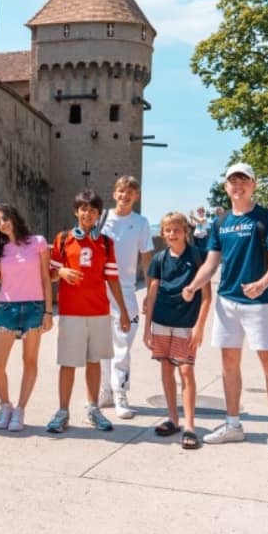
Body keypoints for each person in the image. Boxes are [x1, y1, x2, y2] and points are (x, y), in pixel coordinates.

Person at [182, 163, 268, 456]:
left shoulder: (266, 218)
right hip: (227, 302)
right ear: (226, 187)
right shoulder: (222, 223)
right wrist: (193, 285)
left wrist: (262, 283)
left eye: (243, 180)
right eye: (233, 181)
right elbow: (211, 262)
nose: (237, 185)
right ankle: (233, 425)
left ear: (253, 185)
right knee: (229, 364)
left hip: (259, 303)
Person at [45, 190, 131, 434]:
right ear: (76, 211)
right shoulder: (63, 239)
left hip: (99, 312)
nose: (88, 214)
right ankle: (62, 411)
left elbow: (113, 280)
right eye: (84, 209)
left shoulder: (105, 243)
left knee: (95, 362)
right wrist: (61, 273)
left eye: (93, 210)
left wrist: (123, 312)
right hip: (71, 312)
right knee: (68, 363)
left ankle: (93, 409)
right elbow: (50, 274)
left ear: (98, 215)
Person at [143, 212, 212, 449]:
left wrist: (200, 326)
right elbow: (151, 295)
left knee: (186, 372)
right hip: (162, 321)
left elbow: (206, 296)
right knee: (165, 368)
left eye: (177, 230)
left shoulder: (197, 256)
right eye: (168, 230)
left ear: (186, 231)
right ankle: (173, 419)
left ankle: (190, 425)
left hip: (186, 324)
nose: (172, 234)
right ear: (162, 234)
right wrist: (147, 329)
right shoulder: (159, 259)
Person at [0, 203, 52, 433]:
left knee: (30, 362)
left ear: (14, 216)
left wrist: (48, 311)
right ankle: (5, 405)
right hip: (7, 309)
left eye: (4, 218)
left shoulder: (38, 242)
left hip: (34, 308)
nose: (2, 224)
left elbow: (46, 278)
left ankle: (20, 409)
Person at [98, 175, 154, 419]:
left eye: (130, 192)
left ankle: (120, 392)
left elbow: (147, 259)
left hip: (128, 291)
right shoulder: (101, 219)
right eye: (121, 191)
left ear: (136, 196)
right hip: (100, 290)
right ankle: (106, 391)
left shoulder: (141, 223)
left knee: (122, 345)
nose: (125, 196)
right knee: (101, 345)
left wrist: (151, 293)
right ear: (114, 193)